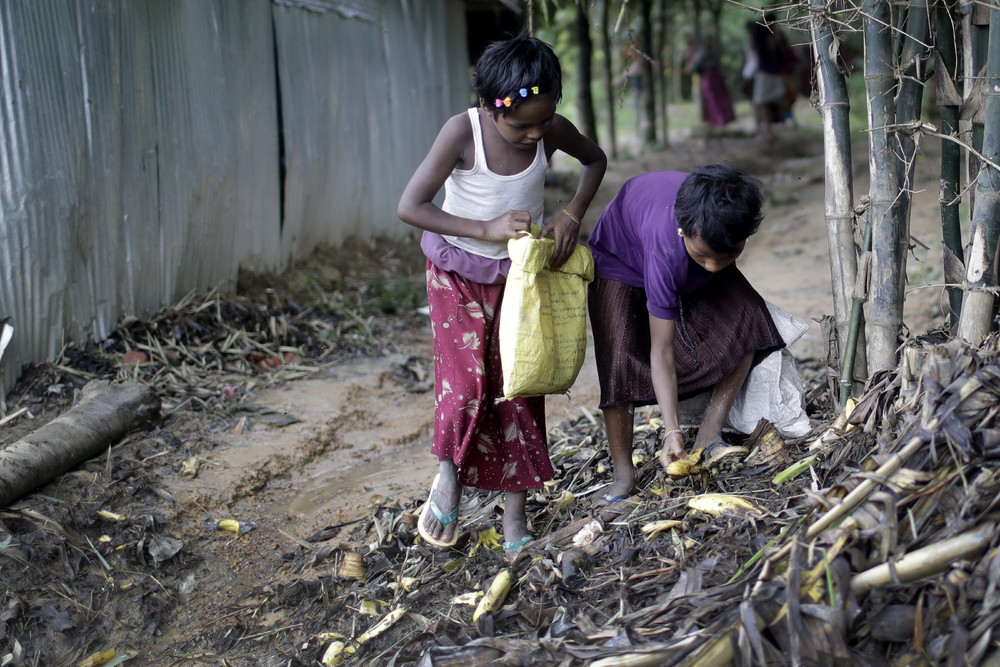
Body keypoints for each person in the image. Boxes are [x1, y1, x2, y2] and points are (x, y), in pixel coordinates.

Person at [396, 34, 607, 558]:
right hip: (457, 274)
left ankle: (515, 516)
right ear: (493, 109)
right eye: (521, 125)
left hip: (519, 279)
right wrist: (485, 228)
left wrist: (572, 213)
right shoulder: (460, 133)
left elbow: (595, 161)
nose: (535, 133)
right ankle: (449, 480)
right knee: (467, 384)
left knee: (519, 384)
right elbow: (411, 205)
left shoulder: (549, 129)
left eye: (544, 120)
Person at [587, 164, 784, 503]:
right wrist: (671, 429)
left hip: (690, 242)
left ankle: (710, 434)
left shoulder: (717, 231)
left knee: (747, 316)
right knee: (618, 355)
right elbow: (661, 351)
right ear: (684, 230)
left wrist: (713, 255)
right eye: (703, 257)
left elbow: (714, 256)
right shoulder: (667, 250)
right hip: (620, 257)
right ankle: (623, 476)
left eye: (726, 257)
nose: (712, 268)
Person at [749, 16, 789, 140]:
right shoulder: (761, 35)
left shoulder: (771, 38)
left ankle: (766, 130)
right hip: (766, 73)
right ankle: (763, 130)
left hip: (771, 73)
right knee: (761, 102)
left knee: (765, 102)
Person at [685, 35, 735, 127]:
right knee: (713, 99)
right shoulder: (703, 52)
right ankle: (718, 121)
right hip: (710, 77)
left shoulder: (704, 52)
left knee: (715, 99)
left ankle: (720, 120)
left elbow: (693, 67)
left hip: (711, 78)